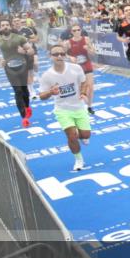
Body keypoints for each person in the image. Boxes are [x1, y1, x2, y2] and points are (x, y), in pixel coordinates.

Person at [38, 43, 92, 171]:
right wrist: (51, 92)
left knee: (85, 135)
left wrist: (83, 93)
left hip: (78, 107)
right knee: (71, 136)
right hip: (62, 109)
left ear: (65, 55)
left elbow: (84, 82)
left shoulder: (76, 68)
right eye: (56, 54)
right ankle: (78, 160)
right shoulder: (47, 75)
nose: (59, 56)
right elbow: (41, 96)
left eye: (62, 54)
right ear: (50, 56)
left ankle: (81, 134)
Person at [0, 19, 34, 127]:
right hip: (9, 68)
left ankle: (27, 106)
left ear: (10, 26)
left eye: (7, 25)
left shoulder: (19, 38)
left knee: (24, 90)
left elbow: (31, 51)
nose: (5, 27)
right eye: (3, 25)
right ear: (0, 28)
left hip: (22, 66)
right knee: (17, 91)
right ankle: (24, 117)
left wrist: (24, 52)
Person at [64, 24, 97, 113]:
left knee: (90, 87)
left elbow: (93, 52)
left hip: (87, 64)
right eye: (74, 31)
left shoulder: (86, 39)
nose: (76, 32)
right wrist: (70, 57)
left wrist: (88, 49)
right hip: (76, 67)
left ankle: (89, 106)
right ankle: (79, 105)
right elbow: (62, 54)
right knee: (80, 88)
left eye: (78, 30)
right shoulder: (68, 43)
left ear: (81, 31)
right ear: (71, 32)